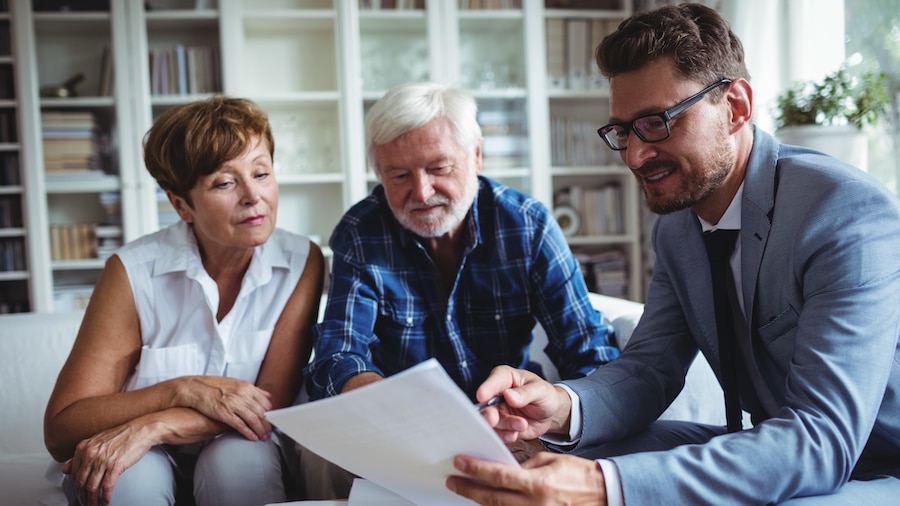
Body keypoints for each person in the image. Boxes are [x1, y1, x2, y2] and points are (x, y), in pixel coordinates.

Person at [446, 4, 900, 505]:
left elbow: (822, 440)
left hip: (872, 464)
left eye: (657, 123)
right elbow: (648, 369)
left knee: (602, 481)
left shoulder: (843, 211)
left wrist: (601, 487)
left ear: (737, 106)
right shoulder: (677, 229)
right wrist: (562, 405)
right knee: (542, 458)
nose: (636, 156)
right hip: (774, 448)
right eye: (623, 131)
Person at [301, 81, 620, 497]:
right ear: (379, 174)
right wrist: (381, 401)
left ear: (475, 156)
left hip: (505, 426)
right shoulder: (361, 232)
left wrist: (549, 414)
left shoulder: (528, 225)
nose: (421, 191)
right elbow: (339, 353)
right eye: (399, 175)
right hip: (398, 430)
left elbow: (591, 353)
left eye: (438, 168)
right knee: (325, 457)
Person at [43, 96, 325, 506]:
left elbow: (270, 402)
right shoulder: (132, 271)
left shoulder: (302, 262)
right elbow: (62, 430)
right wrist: (180, 390)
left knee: (238, 462)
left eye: (261, 173)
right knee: (129, 481)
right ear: (180, 204)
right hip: (141, 456)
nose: (253, 196)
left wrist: (155, 426)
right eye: (225, 183)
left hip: (238, 440)